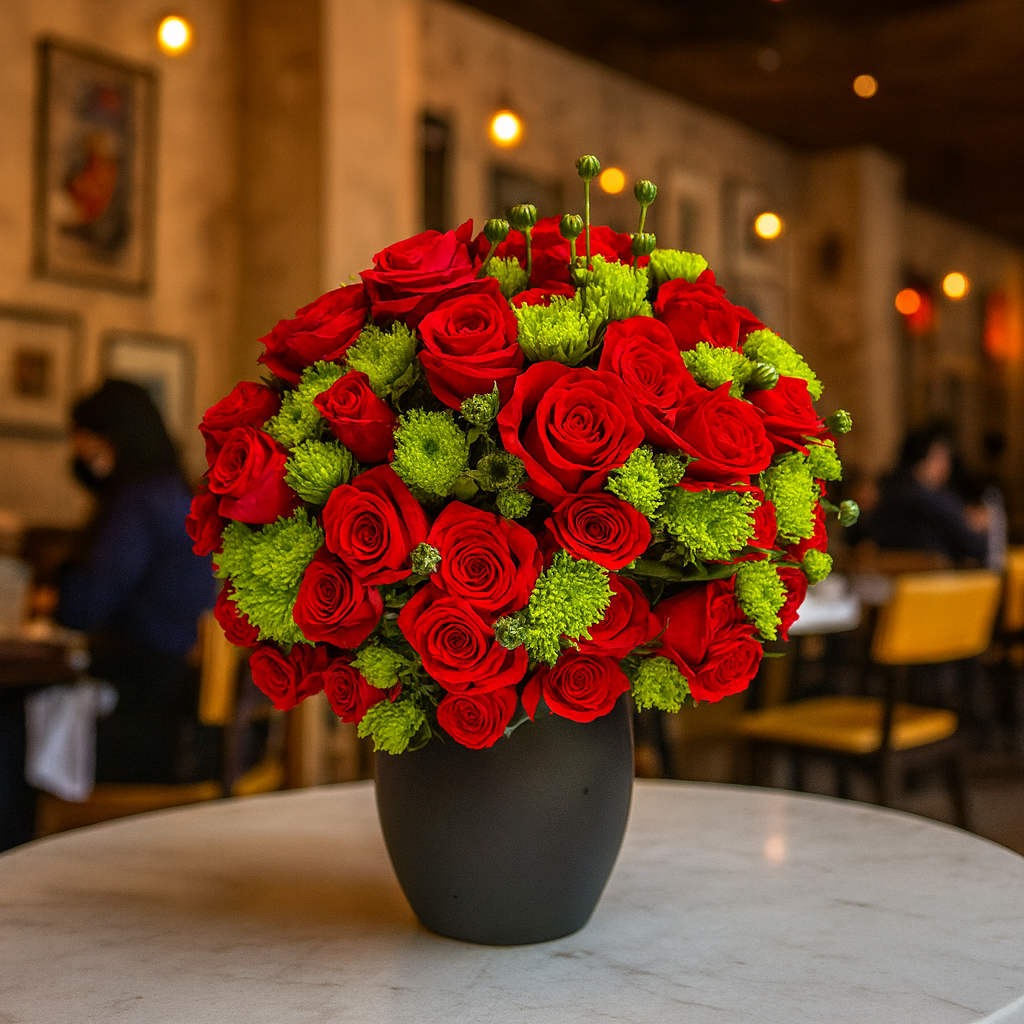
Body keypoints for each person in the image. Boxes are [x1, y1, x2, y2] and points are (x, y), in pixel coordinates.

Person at [54, 379, 215, 784]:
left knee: (17, 721)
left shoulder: (138, 500)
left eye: (85, 440)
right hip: (178, 698)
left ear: (110, 440)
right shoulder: (179, 490)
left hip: (142, 703)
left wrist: (53, 589)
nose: (78, 452)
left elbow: (83, 607)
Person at [867, 424, 989, 565]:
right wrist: (975, 526)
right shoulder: (935, 499)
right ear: (934, 456)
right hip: (935, 582)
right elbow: (974, 547)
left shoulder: (887, 491)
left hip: (892, 580)